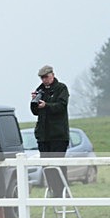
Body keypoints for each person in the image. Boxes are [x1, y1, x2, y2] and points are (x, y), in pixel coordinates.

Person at [30, 65, 70, 198]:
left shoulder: (61, 88)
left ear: (52, 75)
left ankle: (61, 191)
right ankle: (53, 189)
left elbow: (61, 106)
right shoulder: (40, 90)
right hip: (43, 136)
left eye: (46, 77)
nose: (44, 80)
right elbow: (35, 111)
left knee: (58, 164)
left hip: (58, 135)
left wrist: (46, 105)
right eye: (42, 78)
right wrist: (34, 101)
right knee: (46, 166)